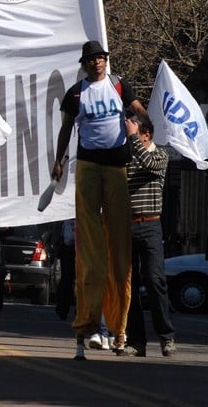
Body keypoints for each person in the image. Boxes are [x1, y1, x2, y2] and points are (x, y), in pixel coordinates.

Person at [51, 40, 146, 360]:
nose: (96, 63)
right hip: (89, 166)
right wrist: (59, 159)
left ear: (107, 60)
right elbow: (66, 129)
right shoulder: (76, 93)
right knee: (90, 253)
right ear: (84, 64)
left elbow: (137, 109)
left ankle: (119, 331)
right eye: (91, 60)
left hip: (117, 166)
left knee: (120, 254)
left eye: (100, 58)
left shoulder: (119, 85)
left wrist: (146, 122)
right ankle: (88, 326)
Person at [123, 115, 177, 357]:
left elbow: (147, 164)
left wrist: (132, 137)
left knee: (155, 280)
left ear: (146, 134)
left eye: (134, 133)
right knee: (129, 285)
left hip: (151, 225)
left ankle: (166, 337)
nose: (129, 136)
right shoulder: (128, 156)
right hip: (128, 225)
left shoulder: (159, 155)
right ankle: (136, 341)